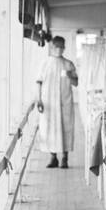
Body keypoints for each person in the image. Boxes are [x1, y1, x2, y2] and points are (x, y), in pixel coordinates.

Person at [36, 36, 78, 168]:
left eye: (61, 46)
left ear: (64, 48)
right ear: (52, 47)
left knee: (66, 128)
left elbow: (76, 83)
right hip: (49, 102)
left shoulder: (68, 64)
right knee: (50, 129)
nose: (59, 49)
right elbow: (39, 82)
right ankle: (53, 157)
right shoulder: (45, 63)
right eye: (57, 46)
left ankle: (65, 158)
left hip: (64, 102)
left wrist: (70, 76)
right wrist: (39, 99)